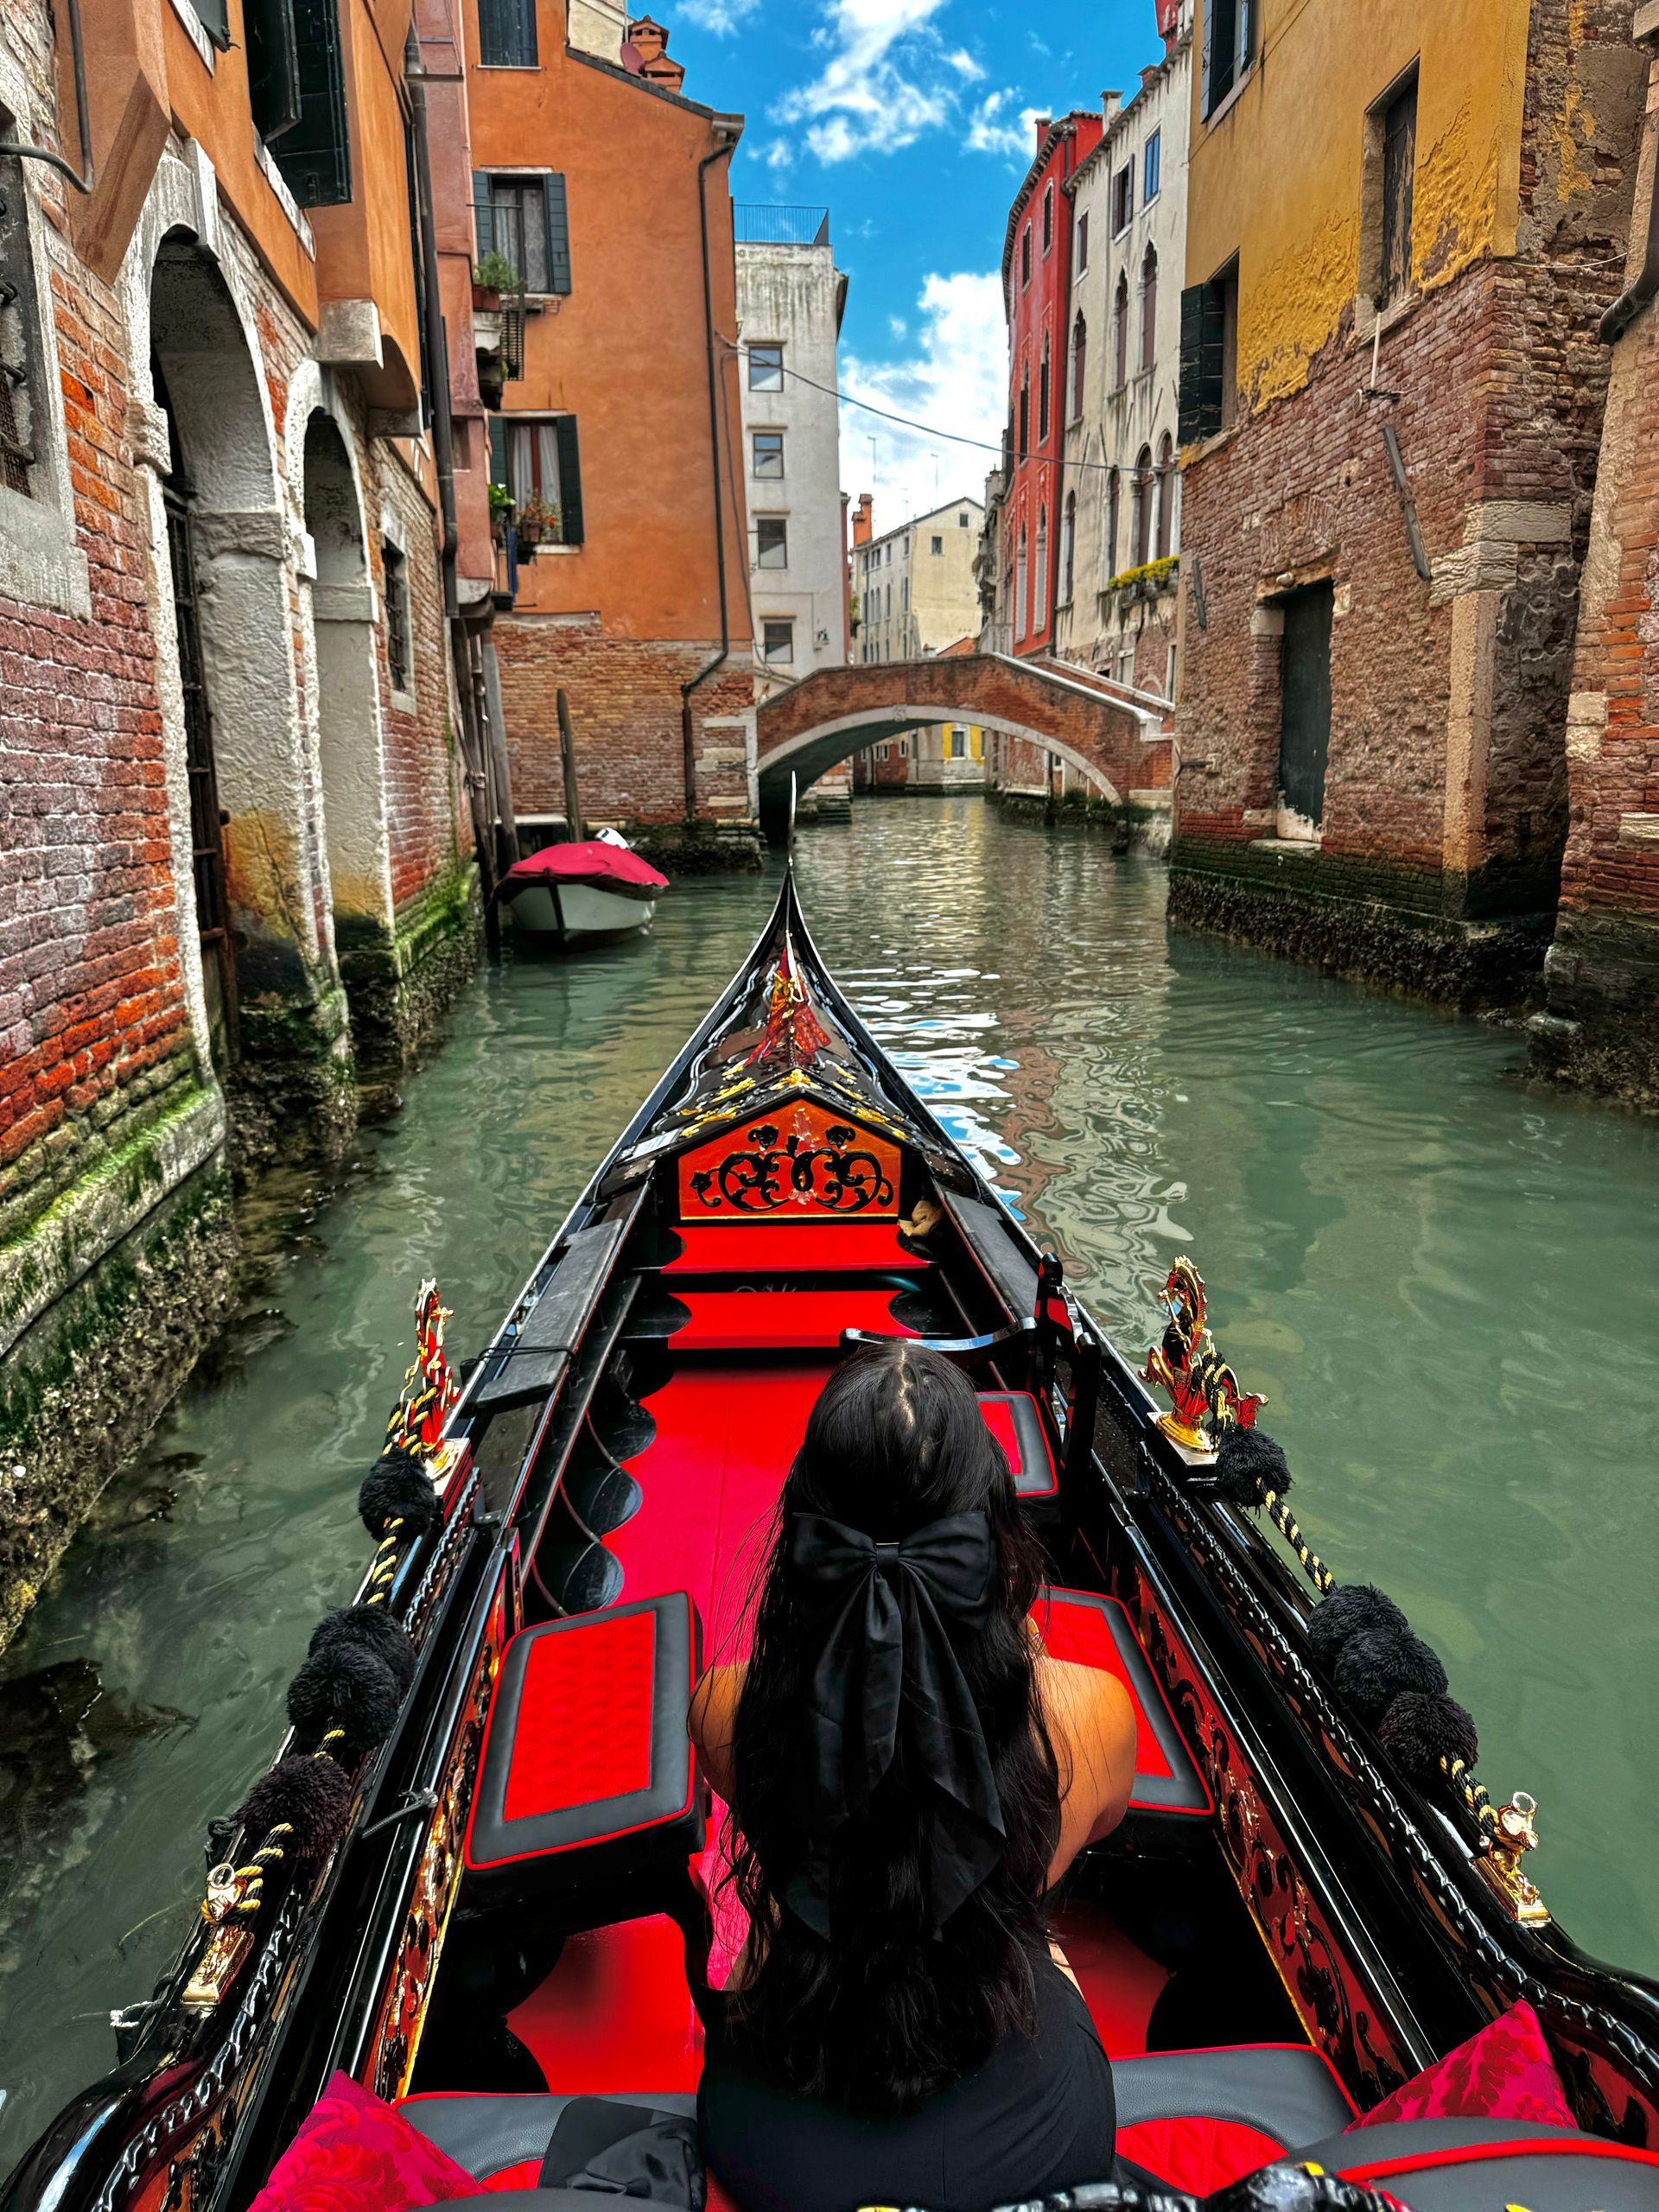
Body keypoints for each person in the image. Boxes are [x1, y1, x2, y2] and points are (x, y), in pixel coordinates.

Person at [689, 1338, 1139, 2212]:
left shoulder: (724, 1711)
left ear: (808, 1551)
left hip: (778, 2139)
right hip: (1037, 2137)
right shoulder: (1092, 1715)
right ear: (992, 1543)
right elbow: (1070, 1837)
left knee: (768, 1930)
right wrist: (1008, 1643)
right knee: (1035, 1930)